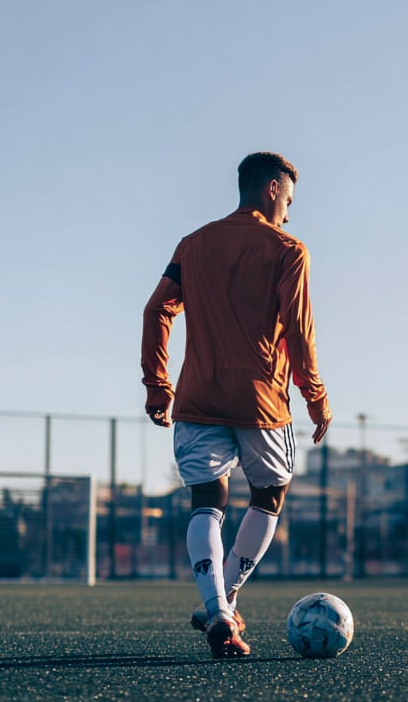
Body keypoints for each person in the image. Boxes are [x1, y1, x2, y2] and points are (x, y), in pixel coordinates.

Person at [141, 151, 331, 658]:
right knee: (270, 495)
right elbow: (298, 330)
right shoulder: (288, 248)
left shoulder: (193, 244)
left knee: (206, 502)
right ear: (272, 188)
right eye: (288, 200)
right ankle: (227, 599)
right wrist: (315, 396)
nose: (289, 213)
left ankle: (217, 609)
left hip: (197, 398)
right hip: (262, 402)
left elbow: (158, 308)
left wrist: (158, 385)